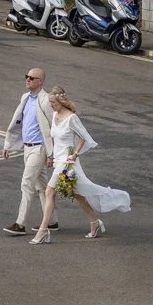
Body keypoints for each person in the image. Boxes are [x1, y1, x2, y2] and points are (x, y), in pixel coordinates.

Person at [29, 87, 130, 244]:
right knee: (77, 194)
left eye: (53, 102)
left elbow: (84, 137)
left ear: (61, 102)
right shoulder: (55, 115)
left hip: (68, 162)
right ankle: (95, 222)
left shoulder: (72, 118)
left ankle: (43, 231)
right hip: (59, 161)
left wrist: (74, 154)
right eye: (49, 102)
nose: (50, 105)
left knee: (49, 192)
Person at [1, 67, 56, 236]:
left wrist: (51, 154)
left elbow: (53, 128)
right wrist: (8, 145)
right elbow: (17, 123)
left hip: (39, 148)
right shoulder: (25, 98)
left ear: (41, 81)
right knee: (41, 186)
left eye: (32, 78)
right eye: (27, 77)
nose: (28, 80)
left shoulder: (46, 100)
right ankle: (52, 222)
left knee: (27, 183)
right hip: (27, 147)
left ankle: (20, 223)